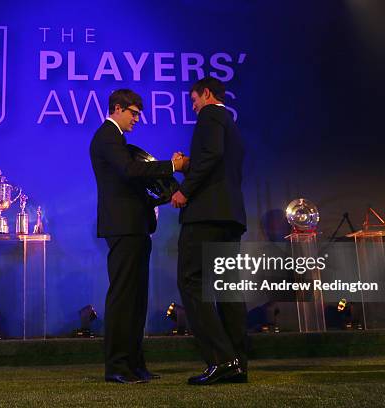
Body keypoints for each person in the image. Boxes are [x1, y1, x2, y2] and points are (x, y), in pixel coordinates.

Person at [90, 89, 187, 384]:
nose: (136, 119)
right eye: (133, 113)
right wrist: (173, 166)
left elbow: (132, 184)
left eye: (138, 114)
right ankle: (117, 367)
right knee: (123, 298)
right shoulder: (107, 135)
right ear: (116, 108)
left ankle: (134, 364)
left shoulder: (116, 138)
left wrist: (163, 196)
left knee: (136, 299)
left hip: (135, 226)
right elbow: (131, 170)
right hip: (123, 227)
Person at [171, 77, 248, 385]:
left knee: (191, 282)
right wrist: (190, 164)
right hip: (229, 215)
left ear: (207, 94)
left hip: (205, 216)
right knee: (228, 289)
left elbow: (212, 155)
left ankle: (221, 359)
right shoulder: (230, 122)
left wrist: (185, 189)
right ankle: (238, 364)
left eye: (194, 100)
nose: (193, 107)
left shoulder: (210, 114)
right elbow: (217, 161)